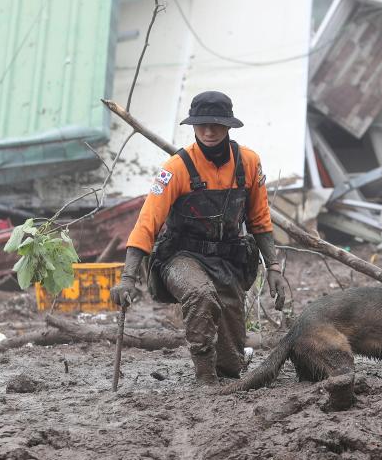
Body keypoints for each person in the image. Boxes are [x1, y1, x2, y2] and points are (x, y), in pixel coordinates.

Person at [110, 91, 285, 386]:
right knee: (200, 295)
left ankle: (222, 370)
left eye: (216, 125)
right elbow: (146, 223)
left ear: (229, 126)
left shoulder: (249, 163)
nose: (208, 131)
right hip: (181, 258)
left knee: (231, 364)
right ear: (193, 126)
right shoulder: (176, 168)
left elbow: (259, 221)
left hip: (228, 260)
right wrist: (128, 277)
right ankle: (204, 377)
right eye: (201, 124)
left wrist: (274, 268)